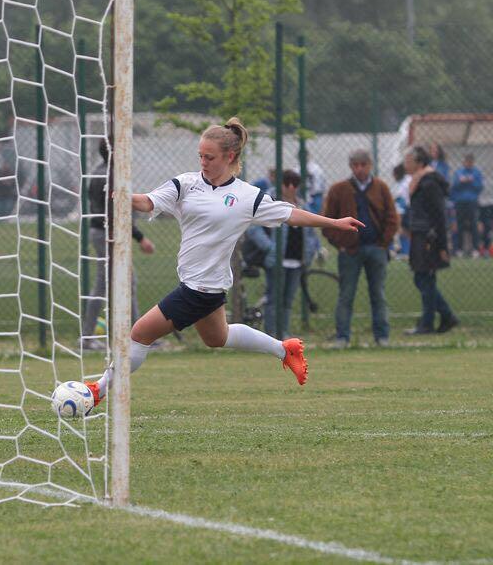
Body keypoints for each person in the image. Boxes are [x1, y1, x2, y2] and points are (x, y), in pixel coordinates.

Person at [83, 118, 364, 408]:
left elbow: (290, 214)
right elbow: (149, 202)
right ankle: (284, 349)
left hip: (200, 289)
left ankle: (98, 391)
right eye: (201, 156)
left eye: (210, 157)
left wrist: (333, 222)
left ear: (230, 157)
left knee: (139, 333)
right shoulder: (186, 184)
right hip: (204, 284)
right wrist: (124, 196)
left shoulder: (247, 196)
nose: (203, 162)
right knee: (218, 337)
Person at [81, 139, 155, 351]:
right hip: (108, 234)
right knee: (104, 284)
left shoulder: (99, 171)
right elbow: (118, 213)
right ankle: (88, 338)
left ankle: (139, 335)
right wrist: (140, 238)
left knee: (127, 282)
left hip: (104, 232)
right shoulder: (112, 176)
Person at [322, 149, 400, 347]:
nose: (359, 169)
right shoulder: (338, 189)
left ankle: (382, 337)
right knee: (346, 294)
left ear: (370, 165)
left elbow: (392, 218)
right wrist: (340, 244)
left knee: (378, 294)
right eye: (355, 165)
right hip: (349, 251)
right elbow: (327, 220)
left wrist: (384, 243)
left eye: (363, 165)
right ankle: (342, 337)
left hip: (376, 248)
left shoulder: (381, 187)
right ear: (351, 167)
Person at [245, 170, 320, 339]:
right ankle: (272, 333)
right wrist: (270, 247)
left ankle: (284, 333)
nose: (291, 188)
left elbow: (310, 233)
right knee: (274, 298)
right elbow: (254, 228)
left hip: (297, 261)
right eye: (287, 184)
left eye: (295, 184)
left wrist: (310, 252)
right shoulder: (270, 201)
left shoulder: (302, 204)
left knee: (288, 300)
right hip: (277, 261)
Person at [403, 146, 459, 335]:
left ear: (419, 162)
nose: (405, 164)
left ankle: (430, 322)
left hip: (429, 237)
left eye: (408, 160)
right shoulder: (419, 181)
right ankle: (445, 317)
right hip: (420, 234)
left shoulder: (429, 183)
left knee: (424, 278)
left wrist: (442, 245)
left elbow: (439, 216)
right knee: (424, 279)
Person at [450, 153, 484, 257]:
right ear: (464, 162)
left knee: (473, 224)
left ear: (473, 163)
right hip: (460, 201)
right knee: (459, 225)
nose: (468, 164)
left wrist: (471, 181)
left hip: (472, 201)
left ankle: (475, 249)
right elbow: (454, 187)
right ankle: (459, 249)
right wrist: (461, 182)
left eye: (470, 162)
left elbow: (480, 187)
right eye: (466, 161)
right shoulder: (459, 172)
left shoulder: (477, 173)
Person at [392, 163, 412, 258]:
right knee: (405, 230)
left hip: (406, 209)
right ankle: (405, 251)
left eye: (394, 174)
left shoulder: (402, 184)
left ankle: (404, 251)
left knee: (401, 229)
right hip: (409, 208)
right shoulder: (408, 179)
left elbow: (400, 201)